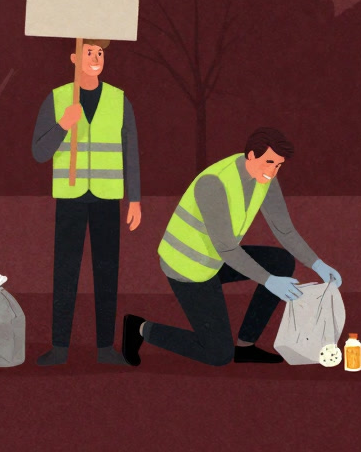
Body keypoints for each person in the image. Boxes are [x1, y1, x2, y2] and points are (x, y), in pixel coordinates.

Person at [121, 128, 342, 367]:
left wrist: (318, 264)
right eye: (269, 162)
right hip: (187, 266)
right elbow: (226, 247)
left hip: (216, 258)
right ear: (250, 156)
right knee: (218, 354)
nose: (272, 172)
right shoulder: (213, 183)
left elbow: (284, 230)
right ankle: (140, 328)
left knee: (282, 262)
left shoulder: (265, 179)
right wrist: (269, 281)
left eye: (278, 165)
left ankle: (246, 346)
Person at [32, 40, 142, 367]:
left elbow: (131, 152)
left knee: (107, 273)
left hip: (108, 197)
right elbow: (39, 152)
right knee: (65, 272)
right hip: (71, 197)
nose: (95, 58)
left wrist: (134, 199)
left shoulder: (120, 100)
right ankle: (60, 347)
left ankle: (106, 348)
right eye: (88, 52)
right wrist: (64, 124)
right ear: (73, 58)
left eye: (100, 53)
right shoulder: (57, 99)